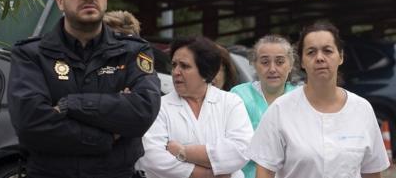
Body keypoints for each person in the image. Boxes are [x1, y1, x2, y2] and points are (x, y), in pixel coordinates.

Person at [7, 0, 161, 178]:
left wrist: (71, 104)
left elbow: (143, 111)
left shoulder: (132, 51)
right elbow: (30, 125)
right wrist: (106, 137)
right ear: (60, 1)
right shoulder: (31, 54)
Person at [248, 22, 390, 178]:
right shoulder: (280, 110)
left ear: (341, 57)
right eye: (311, 52)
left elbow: (372, 172)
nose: (320, 58)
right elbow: (265, 171)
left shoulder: (362, 109)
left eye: (328, 51)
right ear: (301, 61)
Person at [137, 36, 253, 178]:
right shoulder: (159, 106)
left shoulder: (231, 102)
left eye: (184, 66)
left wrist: (183, 152)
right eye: (174, 65)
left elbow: (241, 151)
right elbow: (152, 158)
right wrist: (207, 174)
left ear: (205, 72)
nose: (176, 72)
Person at [230, 35, 297, 178]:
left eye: (280, 62)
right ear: (254, 64)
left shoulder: (301, 98)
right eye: (265, 62)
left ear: (291, 65)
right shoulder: (238, 96)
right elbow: (232, 146)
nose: (272, 69)